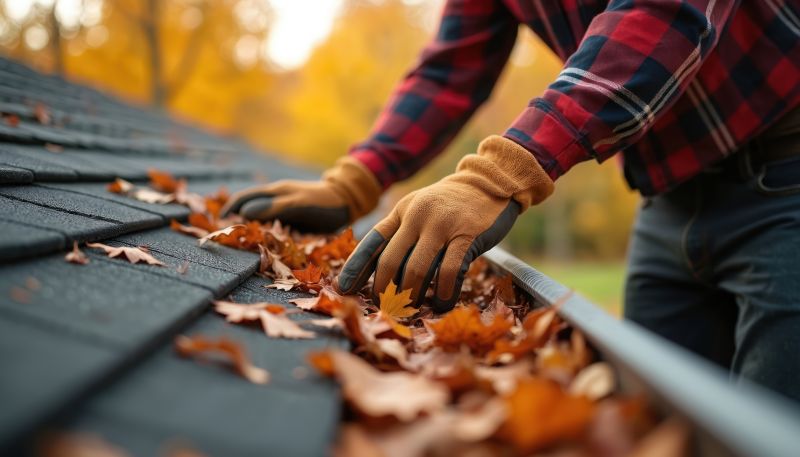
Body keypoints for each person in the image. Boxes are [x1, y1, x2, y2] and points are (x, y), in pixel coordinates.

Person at [221, 1, 800, 401]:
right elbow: (453, 67)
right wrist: (358, 178)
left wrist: (497, 175)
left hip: (788, 176)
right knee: (655, 421)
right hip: (669, 196)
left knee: (766, 430)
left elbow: (662, 16)